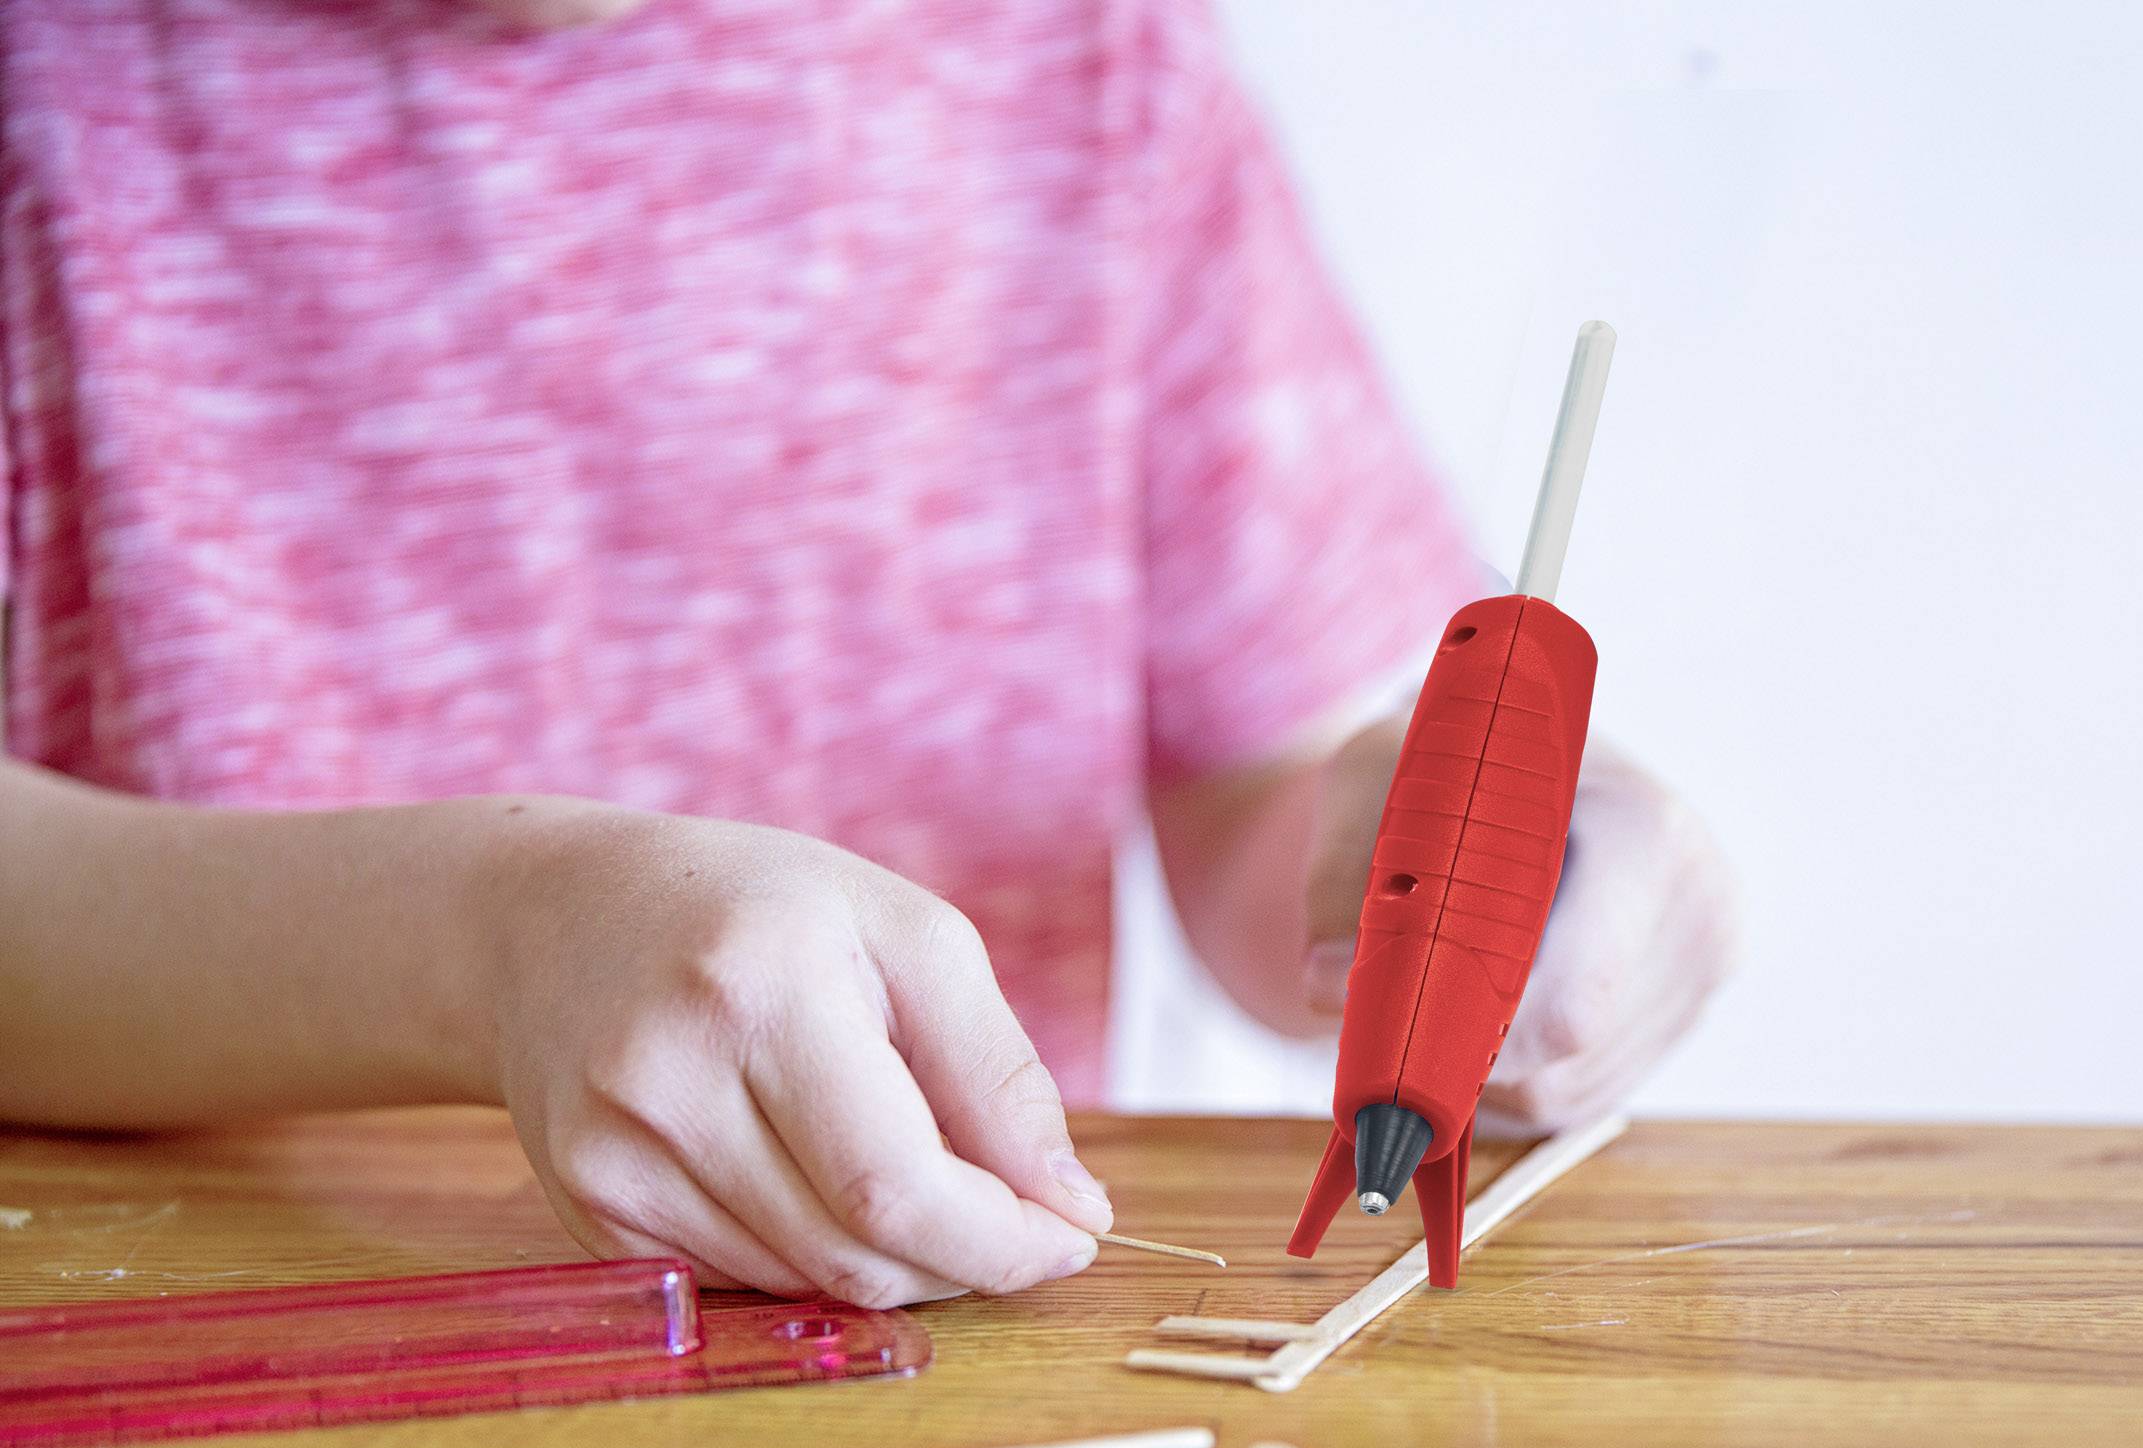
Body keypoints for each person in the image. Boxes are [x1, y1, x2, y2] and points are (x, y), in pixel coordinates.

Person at [0, 0, 1735, 1308]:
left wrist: (1457, 871)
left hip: (950, 1367)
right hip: (213, 1347)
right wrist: (485, 942)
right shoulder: (51, 87)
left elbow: (1261, 804)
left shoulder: (1082, 67)